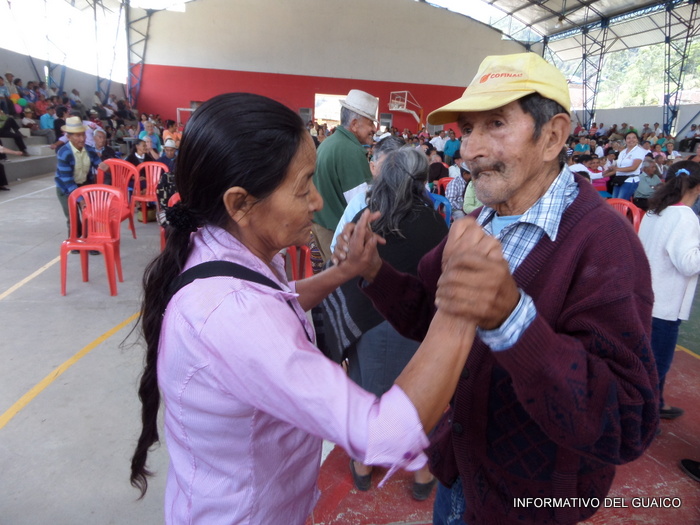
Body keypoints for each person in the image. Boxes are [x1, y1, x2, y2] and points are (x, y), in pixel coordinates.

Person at [128, 92, 488, 524]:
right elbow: (382, 434)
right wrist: (460, 307)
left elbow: (278, 300)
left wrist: (344, 272)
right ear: (240, 203)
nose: (317, 202)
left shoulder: (224, 251)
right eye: (303, 189)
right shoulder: (234, 315)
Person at [333, 52, 658, 525]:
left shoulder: (604, 245)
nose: (469, 151)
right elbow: (430, 317)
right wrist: (375, 272)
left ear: (553, 137)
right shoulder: (479, 220)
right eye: (468, 129)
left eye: (496, 125)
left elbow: (627, 423)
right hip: (460, 475)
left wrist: (513, 320)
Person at [325, 147, 449, 500]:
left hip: (364, 323)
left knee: (366, 394)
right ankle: (422, 470)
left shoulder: (365, 214)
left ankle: (364, 462)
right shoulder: (433, 222)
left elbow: (339, 259)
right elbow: (439, 279)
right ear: (420, 181)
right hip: (413, 326)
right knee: (417, 398)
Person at [638, 161, 700, 424]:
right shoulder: (685, 217)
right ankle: (643, 419)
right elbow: (689, 263)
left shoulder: (655, 211)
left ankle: (657, 403)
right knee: (657, 365)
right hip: (664, 305)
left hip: (645, 297)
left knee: (648, 360)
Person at [311, 89, 377, 262]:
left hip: (322, 225)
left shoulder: (330, 142)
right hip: (337, 232)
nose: (374, 129)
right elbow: (361, 205)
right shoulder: (350, 151)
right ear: (354, 124)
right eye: (370, 122)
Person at [54, 117, 109, 235]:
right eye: (78, 136)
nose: (82, 138)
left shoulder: (89, 149)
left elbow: (97, 162)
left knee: (89, 215)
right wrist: (80, 199)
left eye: (83, 134)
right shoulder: (64, 153)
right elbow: (67, 180)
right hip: (65, 188)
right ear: (68, 137)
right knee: (73, 218)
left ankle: (89, 239)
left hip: (84, 185)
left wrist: (102, 165)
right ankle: (74, 240)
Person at [604, 131, 646, 200]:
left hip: (630, 179)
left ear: (637, 140)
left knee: (620, 201)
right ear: (625, 140)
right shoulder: (622, 152)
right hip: (619, 179)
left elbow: (633, 168)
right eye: (628, 138)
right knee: (614, 201)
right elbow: (618, 167)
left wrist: (616, 169)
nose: (631, 140)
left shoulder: (639, 151)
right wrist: (607, 172)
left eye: (634, 138)